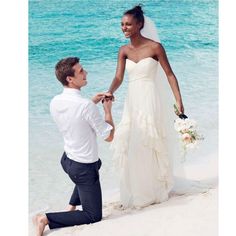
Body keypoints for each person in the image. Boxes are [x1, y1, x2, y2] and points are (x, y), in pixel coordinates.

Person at [107, 5, 185, 209]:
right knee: (133, 141)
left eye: (128, 24)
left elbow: (169, 74)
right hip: (132, 101)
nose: (124, 28)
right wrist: (110, 92)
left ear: (140, 24)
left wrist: (179, 101)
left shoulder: (155, 47)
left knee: (149, 140)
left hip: (150, 98)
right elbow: (118, 77)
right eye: (122, 24)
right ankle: (138, 189)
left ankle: (154, 188)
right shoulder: (123, 50)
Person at [33, 57, 114, 236]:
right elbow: (108, 136)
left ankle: (70, 207)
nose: (86, 73)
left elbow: (75, 117)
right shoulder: (84, 106)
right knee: (93, 215)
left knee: (96, 164)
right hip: (83, 168)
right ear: (70, 78)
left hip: (67, 160)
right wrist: (107, 110)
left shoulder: (55, 101)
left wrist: (92, 103)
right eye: (81, 71)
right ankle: (45, 219)